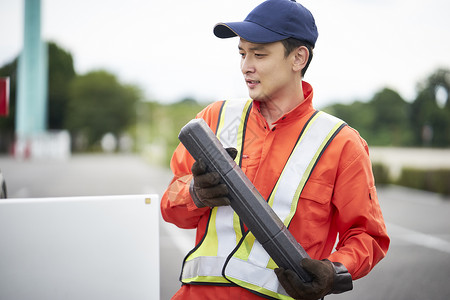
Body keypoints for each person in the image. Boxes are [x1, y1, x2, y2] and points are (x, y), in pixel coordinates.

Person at [160, 0, 390, 299]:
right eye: (242, 53)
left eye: (259, 54)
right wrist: (195, 193)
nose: (246, 66)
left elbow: (367, 235)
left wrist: (334, 271)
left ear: (298, 58)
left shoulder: (340, 142)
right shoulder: (213, 120)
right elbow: (170, 207)